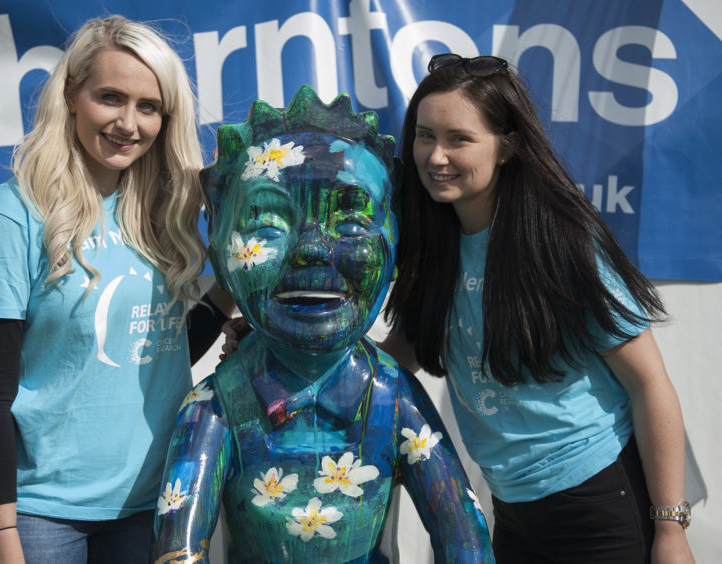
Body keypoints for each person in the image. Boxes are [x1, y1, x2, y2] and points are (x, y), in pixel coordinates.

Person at [155, 84, 494, 563]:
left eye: (351, 221)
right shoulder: (215, 409)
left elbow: (464, 538)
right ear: (221, 252)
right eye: (267, 223)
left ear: (394, 243)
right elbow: (178, 549)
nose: (311, 248)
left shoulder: (391, 398)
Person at [378, 54, 695, 563]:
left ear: (507, 146)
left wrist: (670, 529)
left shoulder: (561, 240)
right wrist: (285, 356)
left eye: (459, 138)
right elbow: (398, 357)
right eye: (424, 135)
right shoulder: (430, 244)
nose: (436, 156)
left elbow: (648, 381)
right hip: (512, 514)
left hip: (599, 506)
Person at [0, 15, 234, 563]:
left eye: (148, 106)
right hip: (40, 517)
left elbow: (155, 348)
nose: (128, 123)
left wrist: (230, 293)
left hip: (153, 505)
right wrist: (3, 538)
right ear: (71, 95)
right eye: (111, 98)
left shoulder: (163, 215)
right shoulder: (14, 214)